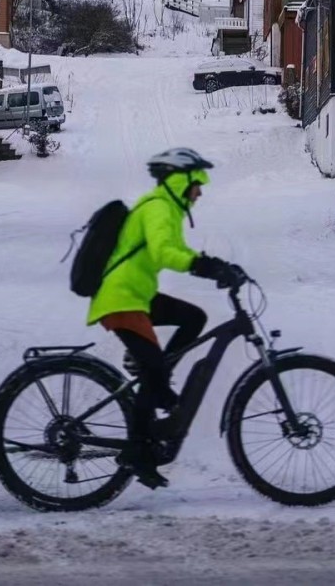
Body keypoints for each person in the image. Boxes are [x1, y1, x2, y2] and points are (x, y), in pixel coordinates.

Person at [87, 147, 244, 489]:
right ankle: (138, 452)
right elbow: (163, 252)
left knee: (193, 317)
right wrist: (205, 267)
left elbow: (178, 251)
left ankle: (157, 380)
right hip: (122, 299)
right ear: (180, 179)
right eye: (197, 183)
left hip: (137, 295)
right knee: (153, 370)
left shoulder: (166, 208)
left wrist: (214, 265)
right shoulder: (158, 207)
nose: (200, 191)